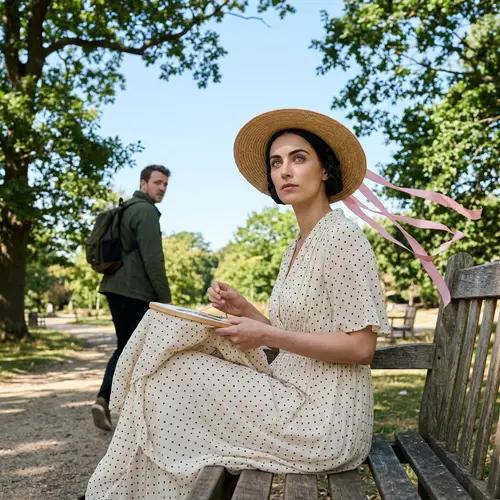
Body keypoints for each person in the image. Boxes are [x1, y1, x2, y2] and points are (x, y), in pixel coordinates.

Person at [87, 108, 463, 499]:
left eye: (299, 159)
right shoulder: (294, 247)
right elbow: (295, 332)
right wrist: (244, 310)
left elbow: (360, 347)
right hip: (288, 395)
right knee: (170, 369)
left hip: (324, 420)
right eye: (276, 162)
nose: (285, 170)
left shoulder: (343, 239)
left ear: (325, 171)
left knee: (172, 376)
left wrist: (265, 333)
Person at [91, 164, 172, 432]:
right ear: (143, 183)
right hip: (136, 293)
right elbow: (154, 259)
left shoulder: (126, 209)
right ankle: (143, 417)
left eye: (165, 185)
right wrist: (165, 300)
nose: (162, 188)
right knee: (147, 352)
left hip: (114, 288)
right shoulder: (146, 212)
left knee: (125, 347)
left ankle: (105, 400)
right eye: (158, 182)